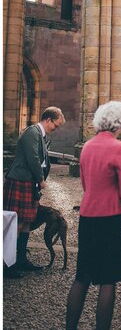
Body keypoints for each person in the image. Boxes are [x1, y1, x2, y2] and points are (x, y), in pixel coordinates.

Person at [61, 101, 121, 330]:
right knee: (108, 280)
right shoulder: (120, 148)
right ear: (120, 124)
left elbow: (84, 183)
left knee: (82, 276)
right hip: (110, 217)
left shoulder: (88, 146)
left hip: (88, 216)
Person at [4, 106, 65, 273]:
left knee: (26, 222)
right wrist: (41, 179)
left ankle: (21, 259)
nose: (56, 129)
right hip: (20, 180)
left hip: (28, 183)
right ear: (48, 120)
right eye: (56, 125)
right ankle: (8, 264)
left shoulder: (40, 135)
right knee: (16, 223)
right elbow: (33, 158)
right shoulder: (32, 133)